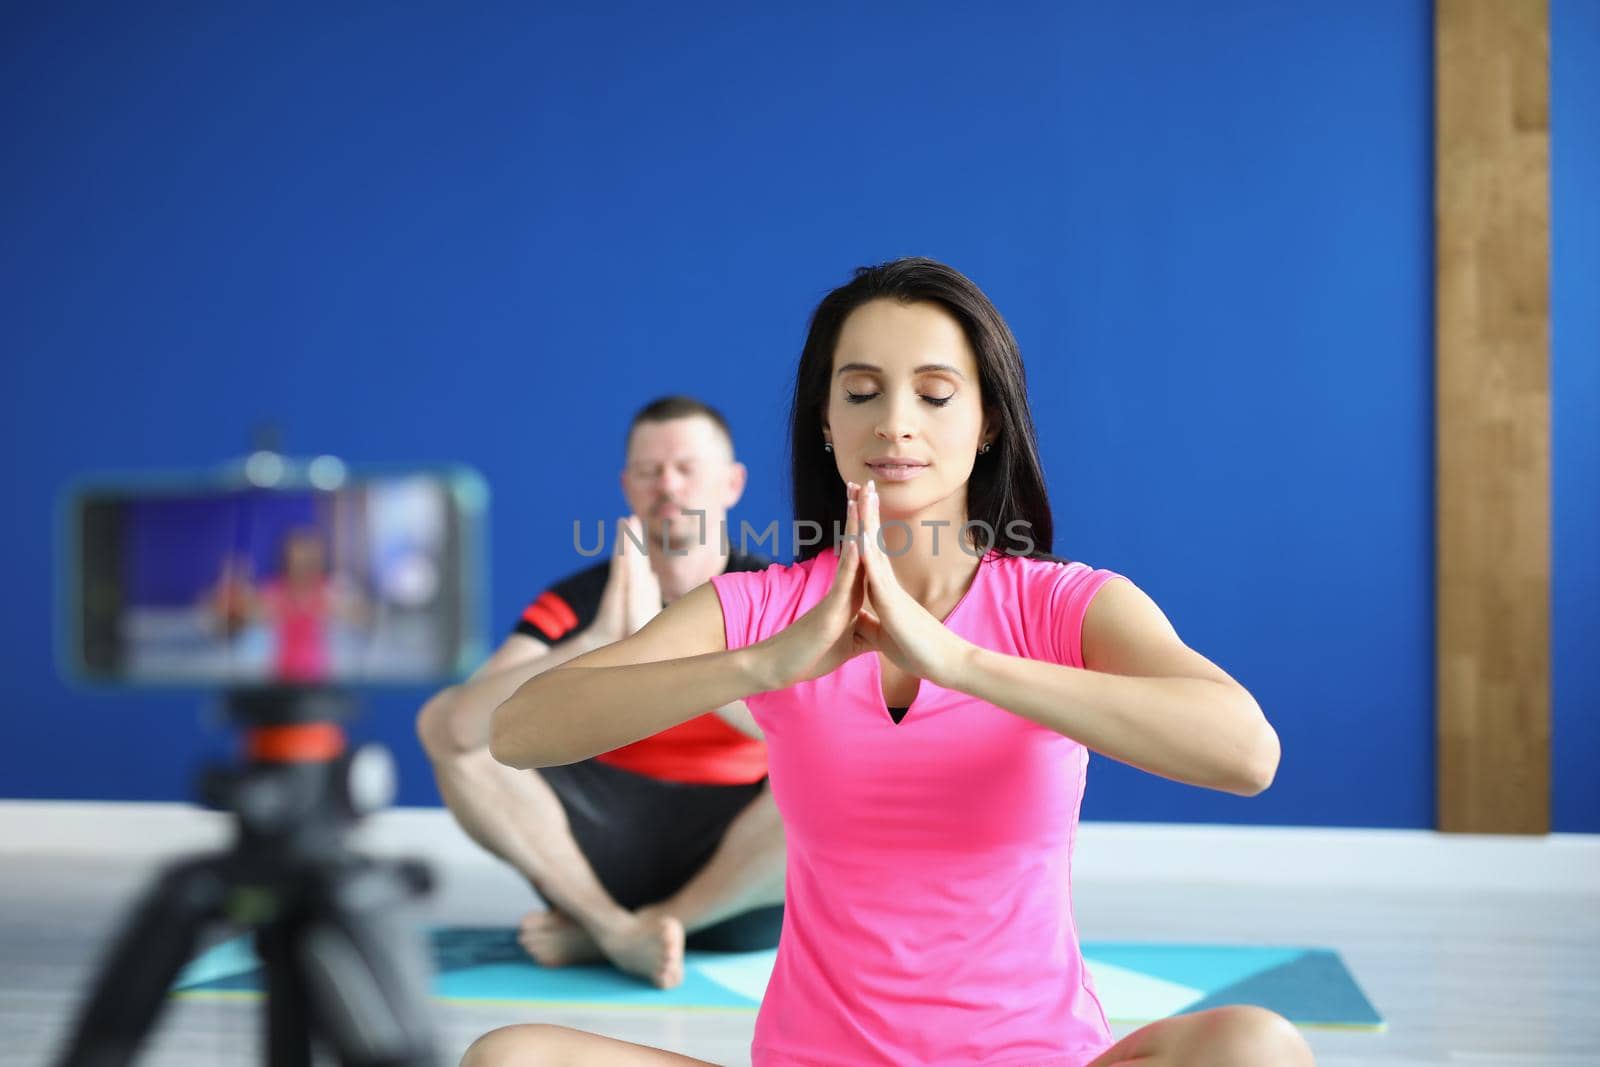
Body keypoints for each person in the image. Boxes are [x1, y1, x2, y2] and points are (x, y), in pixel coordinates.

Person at [464, 260, 1315, 1066]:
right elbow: (519, 730)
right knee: (511, 1056)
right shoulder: (767, 608)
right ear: (825, 423)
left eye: (935, 393)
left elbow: (1247, 754)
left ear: (987, 423)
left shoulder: (1066, 605)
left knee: (1255, 1045)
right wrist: (765, 664)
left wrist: (961, 661)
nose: (894, 420)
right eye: (861, 391)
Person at [416, 396, 784, 990]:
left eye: (686, 467)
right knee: (451, 731)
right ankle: (613, 928)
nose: (667, 484)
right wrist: (600, 642)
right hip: (595, 851)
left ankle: (647, 928)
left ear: (732, 483)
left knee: (843, 770)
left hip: (736, 875)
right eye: (648, 470)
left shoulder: (774, 597)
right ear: (626, 485)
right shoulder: (580, 602)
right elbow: (454, 729)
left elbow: (813, 733)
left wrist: (663, 653)